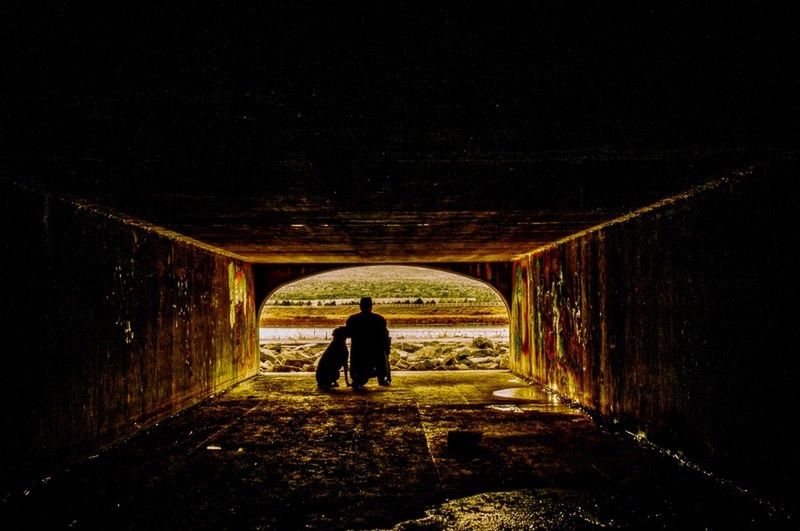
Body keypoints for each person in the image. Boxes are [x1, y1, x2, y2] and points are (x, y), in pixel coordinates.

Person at [345, 297, 391, 389]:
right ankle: (383, 377)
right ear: (371, 306)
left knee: (359, 374)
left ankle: (358, 379)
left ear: (360, 306)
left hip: (358, 354)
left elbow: (348, 333)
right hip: (376, 353)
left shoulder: (353, 319)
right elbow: (385, 337)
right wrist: (386, 351)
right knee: (383, 358)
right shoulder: (379, 319)